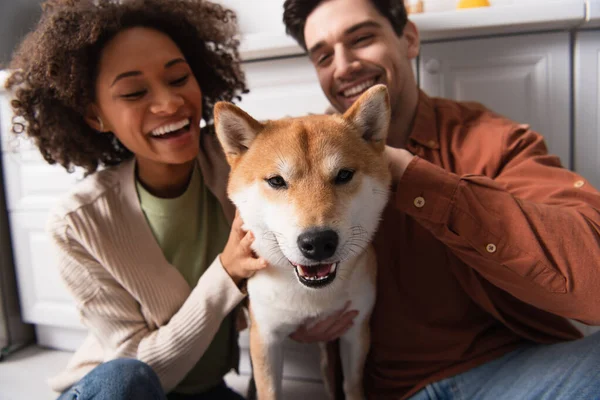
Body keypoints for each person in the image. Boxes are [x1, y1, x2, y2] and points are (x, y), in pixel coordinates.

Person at [282, 0, 600, 399]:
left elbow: (594, 277)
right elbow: (248, 273)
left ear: (409, 39)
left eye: (362, 39)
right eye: (324, 56)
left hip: (517, 369)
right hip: (391, 390)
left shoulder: (493, 142)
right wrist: (293, 312)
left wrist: (413, 176)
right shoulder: (288, 167)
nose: (344, 66)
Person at [5, 0, 268, 399]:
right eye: (134, 92)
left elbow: (321, 148)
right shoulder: (77, 224)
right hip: (118, 390)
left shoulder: (245, 165)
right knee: (125, 379)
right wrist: (226, 273)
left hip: (206, 390)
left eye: (179, 78)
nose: (168, 103)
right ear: (96, 117)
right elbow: (142, 370)